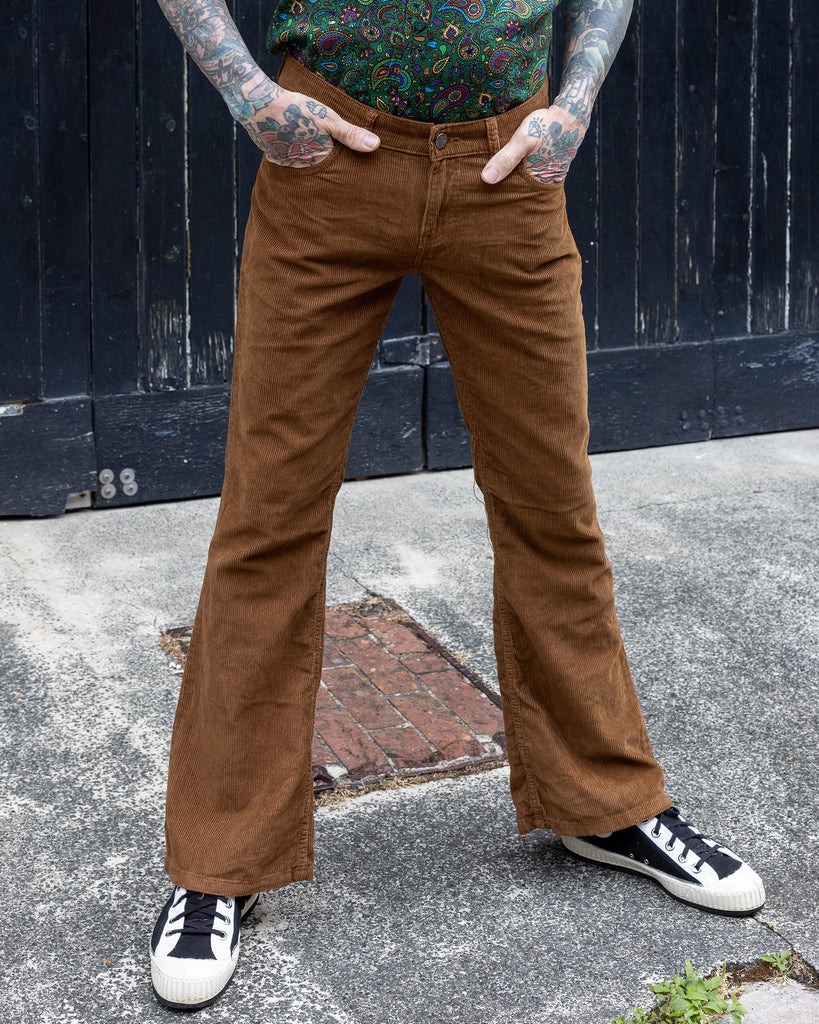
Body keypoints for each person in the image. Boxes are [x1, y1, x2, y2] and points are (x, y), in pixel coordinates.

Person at [149, 0, 766, 1011]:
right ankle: (219, 858)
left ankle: (603, 803)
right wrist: (248, 93)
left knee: (552, 508)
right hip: (327, 165)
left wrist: (573, 102)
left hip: (507, 167)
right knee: (269, 520)